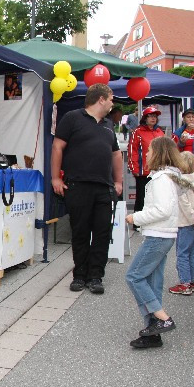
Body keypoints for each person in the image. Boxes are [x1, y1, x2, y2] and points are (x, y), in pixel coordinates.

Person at [51, 83, 123, 295]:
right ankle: (79, 275)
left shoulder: (109, 125)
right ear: (100, 99)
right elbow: (57, 147)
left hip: (104, 188)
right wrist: (56, 177)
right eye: (111, 98)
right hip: (78, 185)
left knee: (102, 232)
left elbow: (116, 154)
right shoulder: (73, 118)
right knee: (80, 232)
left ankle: (96, 276)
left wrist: (118, 182)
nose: (113, 102)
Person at [125, 137, 186, 349]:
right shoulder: (170, 177)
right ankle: (153, 332)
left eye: (149, 151)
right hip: (164, 234)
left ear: (158, 153)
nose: (146, 154)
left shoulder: (161, 179)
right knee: (152, 283)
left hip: (158, 234)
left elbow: (162, 210)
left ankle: (162, 318)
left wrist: (136, 217)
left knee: (134, 276)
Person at [168, 152, 194, 296]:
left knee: (182, 253)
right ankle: (191, 281)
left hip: (185, 223)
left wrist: (192, 219)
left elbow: (184, 205)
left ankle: (184, 283)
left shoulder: (180, 183)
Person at [128, 107, 165, 224]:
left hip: (159, 170)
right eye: (150, 116)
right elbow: (132, 151)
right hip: (143, 170)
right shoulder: (137, 132)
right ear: (145, 118)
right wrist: (134, 168)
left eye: (155, 116)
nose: (153, 118)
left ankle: (151, 220)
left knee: (157, 196)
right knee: (141, 197)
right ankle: (137, 222)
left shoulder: (160, 132)